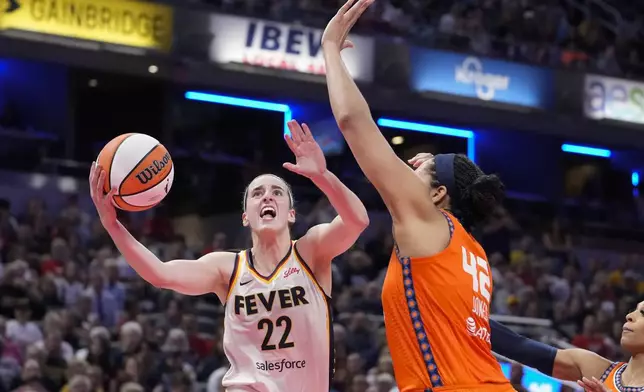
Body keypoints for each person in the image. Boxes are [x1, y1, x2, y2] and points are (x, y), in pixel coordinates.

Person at [89, 120, 370, 392]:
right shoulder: (227, 267)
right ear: (246, 217)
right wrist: (113, 225)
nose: (267, 197)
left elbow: (357, 221)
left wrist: (321, 176)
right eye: (257, 193)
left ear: (292, 214)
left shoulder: (311, 251)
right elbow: (161, 274)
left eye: (277, 193)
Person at [321, 1, 513, 391]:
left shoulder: (428, 220)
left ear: (439, 193)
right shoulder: (472, 252)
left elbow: (352, 122)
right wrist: (432, 164)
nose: (408, 167)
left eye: (419, 170)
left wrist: (329, 48)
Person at [489, 301, 644, 391]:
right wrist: (470, 316)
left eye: (642, 313)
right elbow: (518, 346)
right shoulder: (598, 369)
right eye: (633, 310)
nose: (629, 316)